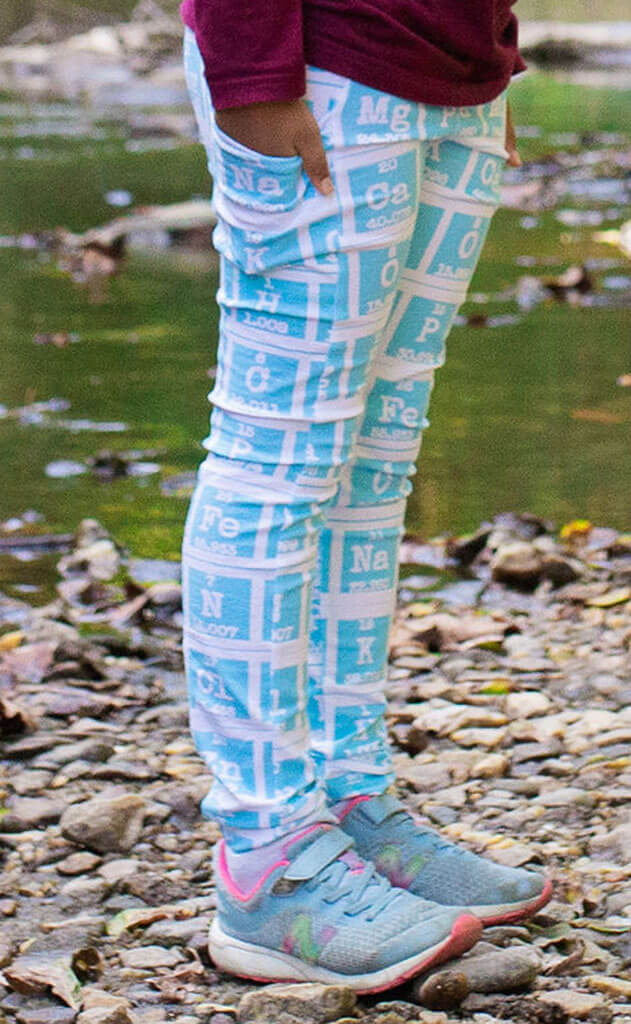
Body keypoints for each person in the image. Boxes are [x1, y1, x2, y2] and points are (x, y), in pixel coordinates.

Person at [178, 0, 553, 993]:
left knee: (375, 462)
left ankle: (350, 804)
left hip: (447, 79)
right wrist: (252, 66)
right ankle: (266, 858)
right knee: (278, 458)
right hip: (323, 61)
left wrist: (489, 55)